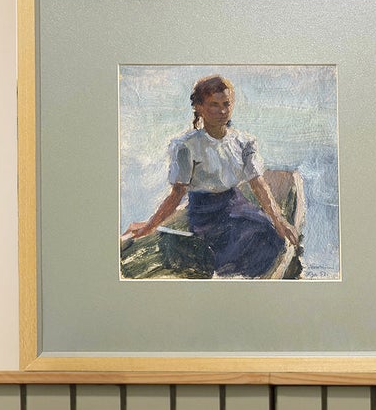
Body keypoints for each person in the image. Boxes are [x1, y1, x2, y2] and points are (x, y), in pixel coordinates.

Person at [122, 74, 300, 278]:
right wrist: (149, 225)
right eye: (214, 104)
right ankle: (227, 276)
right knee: (245, 236)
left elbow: (258, 184)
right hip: (205, 214)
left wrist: (280, 220)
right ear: (199, 107)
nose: (222, 111)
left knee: (269, 232)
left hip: (236, 204)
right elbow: (176, 194)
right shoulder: (186, 146)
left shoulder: (243, 142)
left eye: (226, 103)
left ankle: (245, 280)